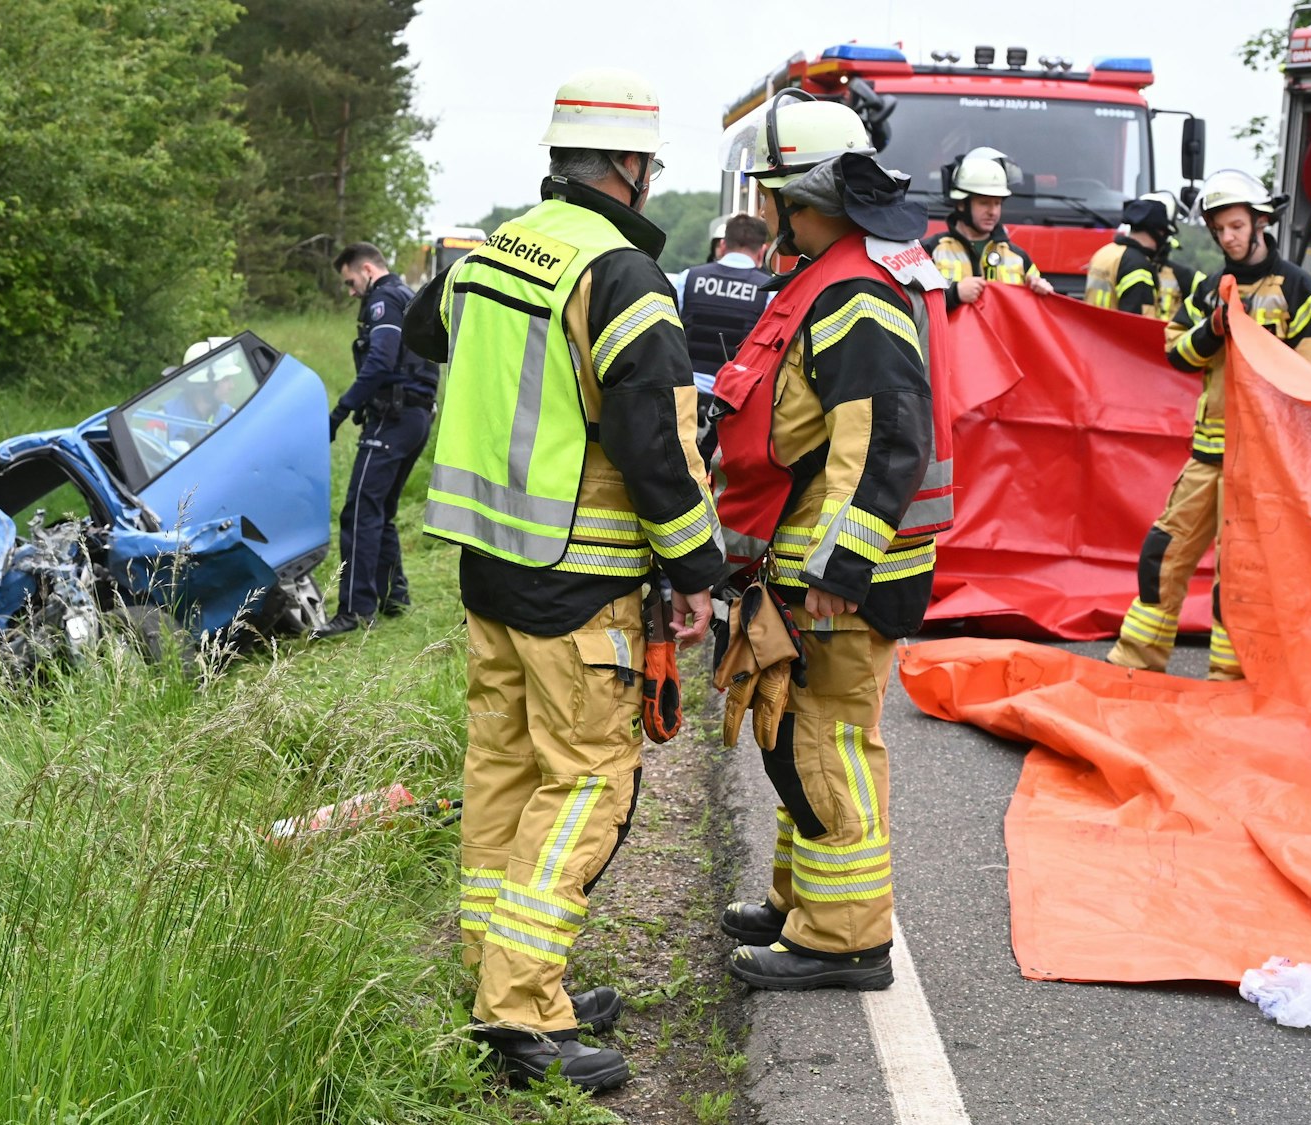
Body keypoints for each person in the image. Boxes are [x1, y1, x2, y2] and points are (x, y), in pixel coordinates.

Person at [401, 66, 725, 1092]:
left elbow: (421, 337)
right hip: (579, 578)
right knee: (586, 781)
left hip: (488, 568)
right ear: (629, 168)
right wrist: (695, 571)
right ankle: (518, 1014)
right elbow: (655, 447)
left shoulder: (493, 250)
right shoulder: (619, 277)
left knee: (501, 771)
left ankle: (494, 972)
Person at [712, 91, 953, 991]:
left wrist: (839, 569)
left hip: (839, 578)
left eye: (777, 198)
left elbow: (884, 442)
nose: (769, 215)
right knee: (795, 732)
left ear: (806, 199)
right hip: (813, 566)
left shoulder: (851, 297)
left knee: (825, 741)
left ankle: (844, 937)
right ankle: (803, 903)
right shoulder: (833, 282)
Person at [1106, 169, 1311, 681]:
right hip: (1208, 453)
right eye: (1219, 230)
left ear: (1260, 222)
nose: (1227, 238)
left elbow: (1310, 371)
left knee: (1240, 575)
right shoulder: (1208, 287)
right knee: (1163, 552)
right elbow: (1176, 352)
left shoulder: (1295, 286)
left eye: (1234, 226)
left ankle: (1230, 681)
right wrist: (1212, 329)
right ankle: (1134, 666)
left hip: (1261, 460)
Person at [312, 242, 441, 639]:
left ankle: (354, 609)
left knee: (359, 512)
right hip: (416, 417)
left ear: (367, 269)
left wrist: (340, 412)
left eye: (350, 281)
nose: (351, 291)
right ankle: (394, 595)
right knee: (380, 509)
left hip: (393, 418)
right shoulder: (409, 296)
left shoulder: (384, 301)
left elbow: (381, 362)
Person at [923, 146, 1055, 306]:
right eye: (984, 203)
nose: (992, 211)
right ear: (961, 204)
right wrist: (953, 294)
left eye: (997, 203)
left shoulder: (1018, 257)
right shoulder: (930, 251)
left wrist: (1042, 293)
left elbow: (1037, 315)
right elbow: (915, 303)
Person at [675, 213, 772, 418]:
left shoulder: (689, 278)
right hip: (735, 402)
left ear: (723, 245)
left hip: (685, 399)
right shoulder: (768, 291)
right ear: (762, 251)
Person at [1085, 191, 1199, 319]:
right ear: (1160, 231)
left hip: (1093, 336)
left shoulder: (1104, 253)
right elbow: (1139, 326)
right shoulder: (1139, 267)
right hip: (1116, 338)